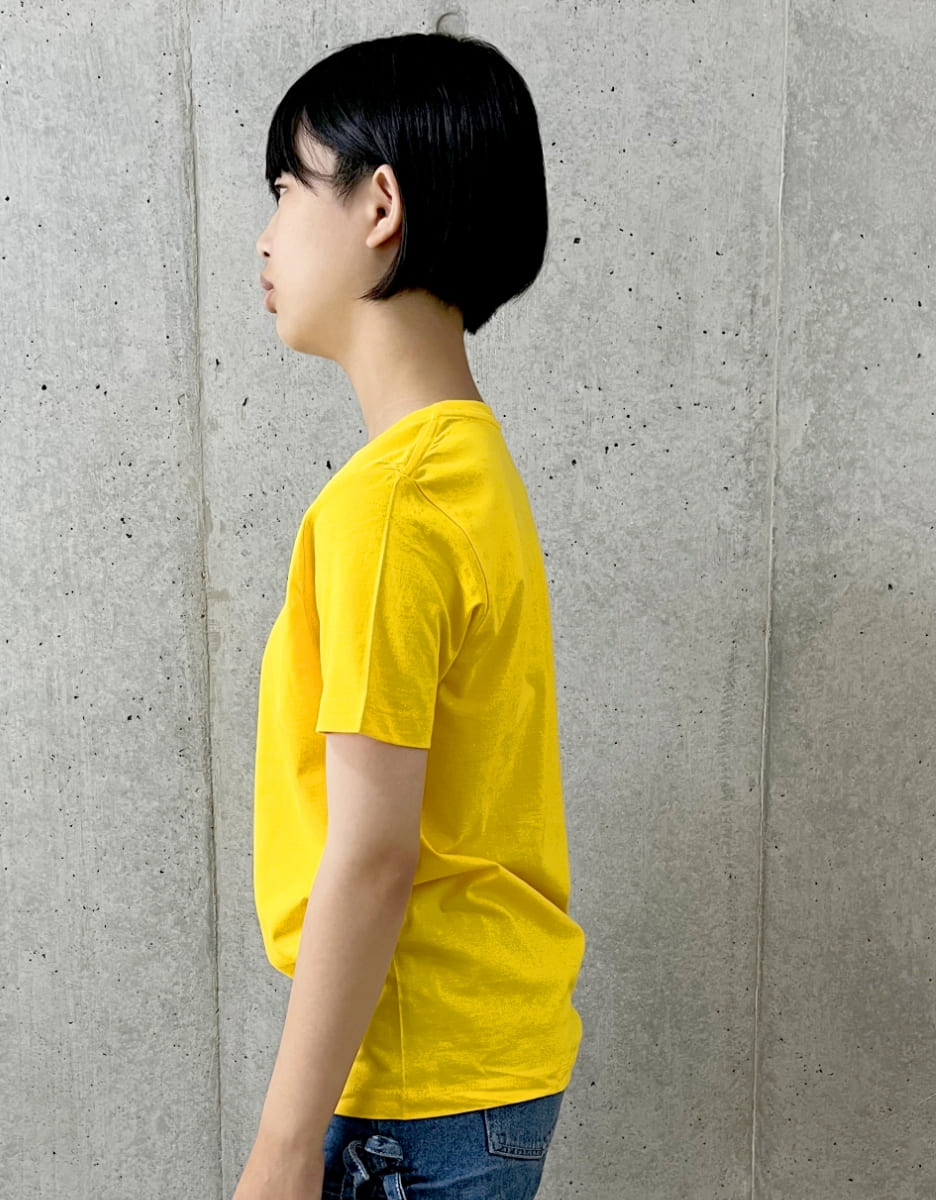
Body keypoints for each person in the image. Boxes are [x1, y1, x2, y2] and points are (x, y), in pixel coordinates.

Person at [236, 30, 586, 1200]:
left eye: (288, 188)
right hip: (477, 1065)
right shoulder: (471, 466)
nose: (267, 235)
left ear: (379, 204)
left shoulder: (388, 506)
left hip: (419, 1088)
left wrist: (283, 1149)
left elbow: (374, 852)